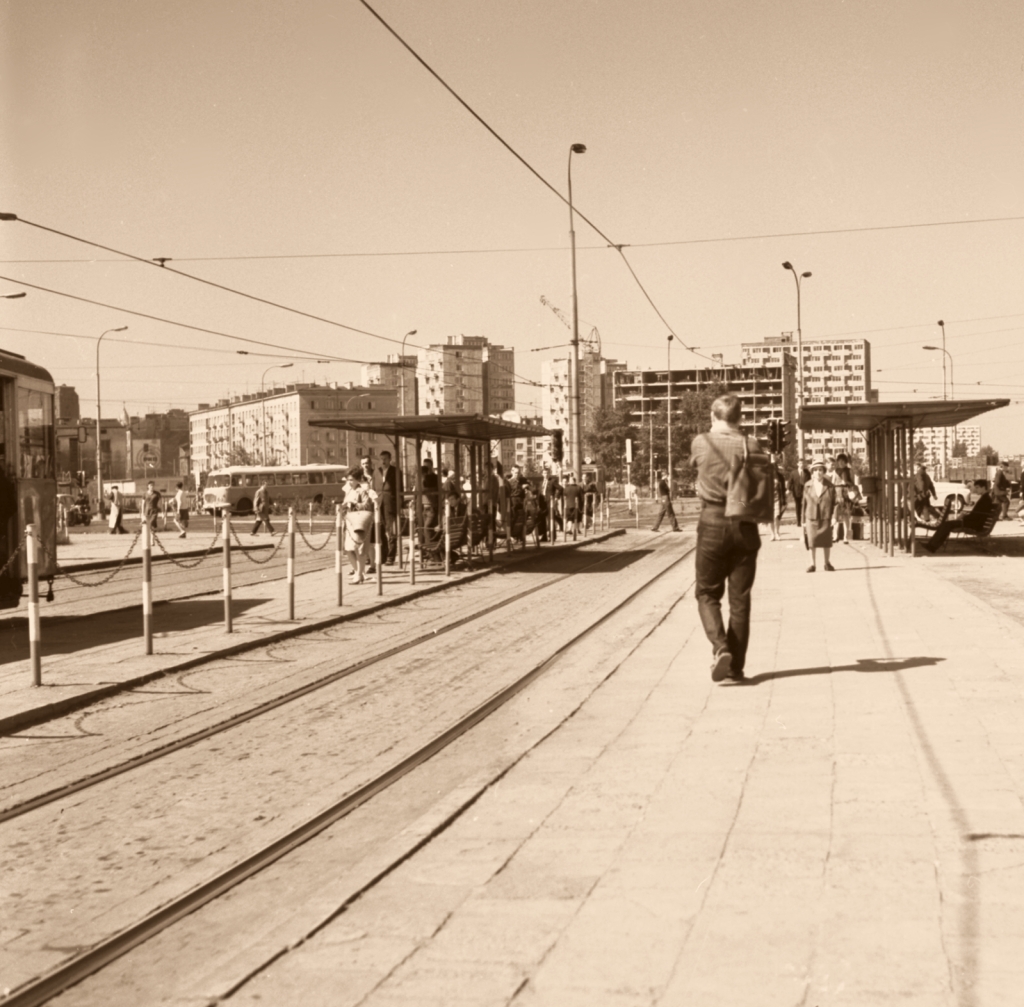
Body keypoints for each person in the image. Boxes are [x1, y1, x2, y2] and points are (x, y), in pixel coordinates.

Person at [688, 393, 761, 683]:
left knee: (706, 593)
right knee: (740, 600)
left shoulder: (700, 442)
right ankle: (735, 669)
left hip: (713, 522)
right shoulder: (751, 444)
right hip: (744, 523)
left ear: (713, 416)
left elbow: (697, 466)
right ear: (740, 418)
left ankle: (720, 648)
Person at [922, 480, 997, 552]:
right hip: (974, 523)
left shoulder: (985, 499)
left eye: (977, 487)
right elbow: (978, 515)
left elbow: (977, 516)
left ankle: (932, 546)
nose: (975, 489)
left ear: (983, 487)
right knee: (947, 524)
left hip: (974, 524)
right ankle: (933, 545)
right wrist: (964, 516)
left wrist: (963, 517)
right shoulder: (985, 498)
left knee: (947, 524)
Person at [802, 459, 837, 572]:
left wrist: (834, 517)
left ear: (824, 471)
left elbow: (836, 503)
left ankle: (827, 563)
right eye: (815, 470)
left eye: (820, 470)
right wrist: (803, 521)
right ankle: (812, 564)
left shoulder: (830, 486)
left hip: (826, 516)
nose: (818, 472)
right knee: (812, 542)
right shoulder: (807, 485)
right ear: (812, 472)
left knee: (826, 541)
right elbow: (804, 504)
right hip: (811, 517)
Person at [341, 469, 374, 582]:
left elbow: (367, 505)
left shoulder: (361, 490)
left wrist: (355, 504)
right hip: (349, 522)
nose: (349, 482)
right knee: (348, 548)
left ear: (357, 479)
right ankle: (358, 572)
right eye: (348, 479)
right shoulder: (349, 490)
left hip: (359, 522)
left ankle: (359, 574)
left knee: (359, 549)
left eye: (351, 480)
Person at [373, 450, 399, 565]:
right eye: (381, 458)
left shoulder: (396, 471)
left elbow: (400, 489)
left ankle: (391, 556)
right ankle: (383, 555)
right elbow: (373, 489)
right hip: (379, 504)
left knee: (392, 531)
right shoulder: (376, 472)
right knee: (381, 530)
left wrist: (399, 504)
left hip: (391, 504)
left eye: (385, 459)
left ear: (390, 459)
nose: (383, 461)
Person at [831, 453, 857, 544]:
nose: (841, 463)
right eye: (839, 461)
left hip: (846, 495)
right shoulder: (835, 471)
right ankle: (835, 536)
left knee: (846, 517)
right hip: (837, 495)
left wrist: (846, 482)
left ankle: (845, 537)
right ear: (837, 462)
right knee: (836, 516)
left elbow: (853, 484)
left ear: (846, 462)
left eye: (843, 461)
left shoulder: (850, 471)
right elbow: (832, 483)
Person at [770, 467, 786, 541]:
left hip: (778, 499)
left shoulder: (780, 477)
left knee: (776, 516)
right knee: (770, 517)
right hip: (769, 499)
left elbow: (783, 489)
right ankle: (772, 533)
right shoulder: (767, 475)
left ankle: (777, 533)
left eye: (774, 468)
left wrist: (784, 500)